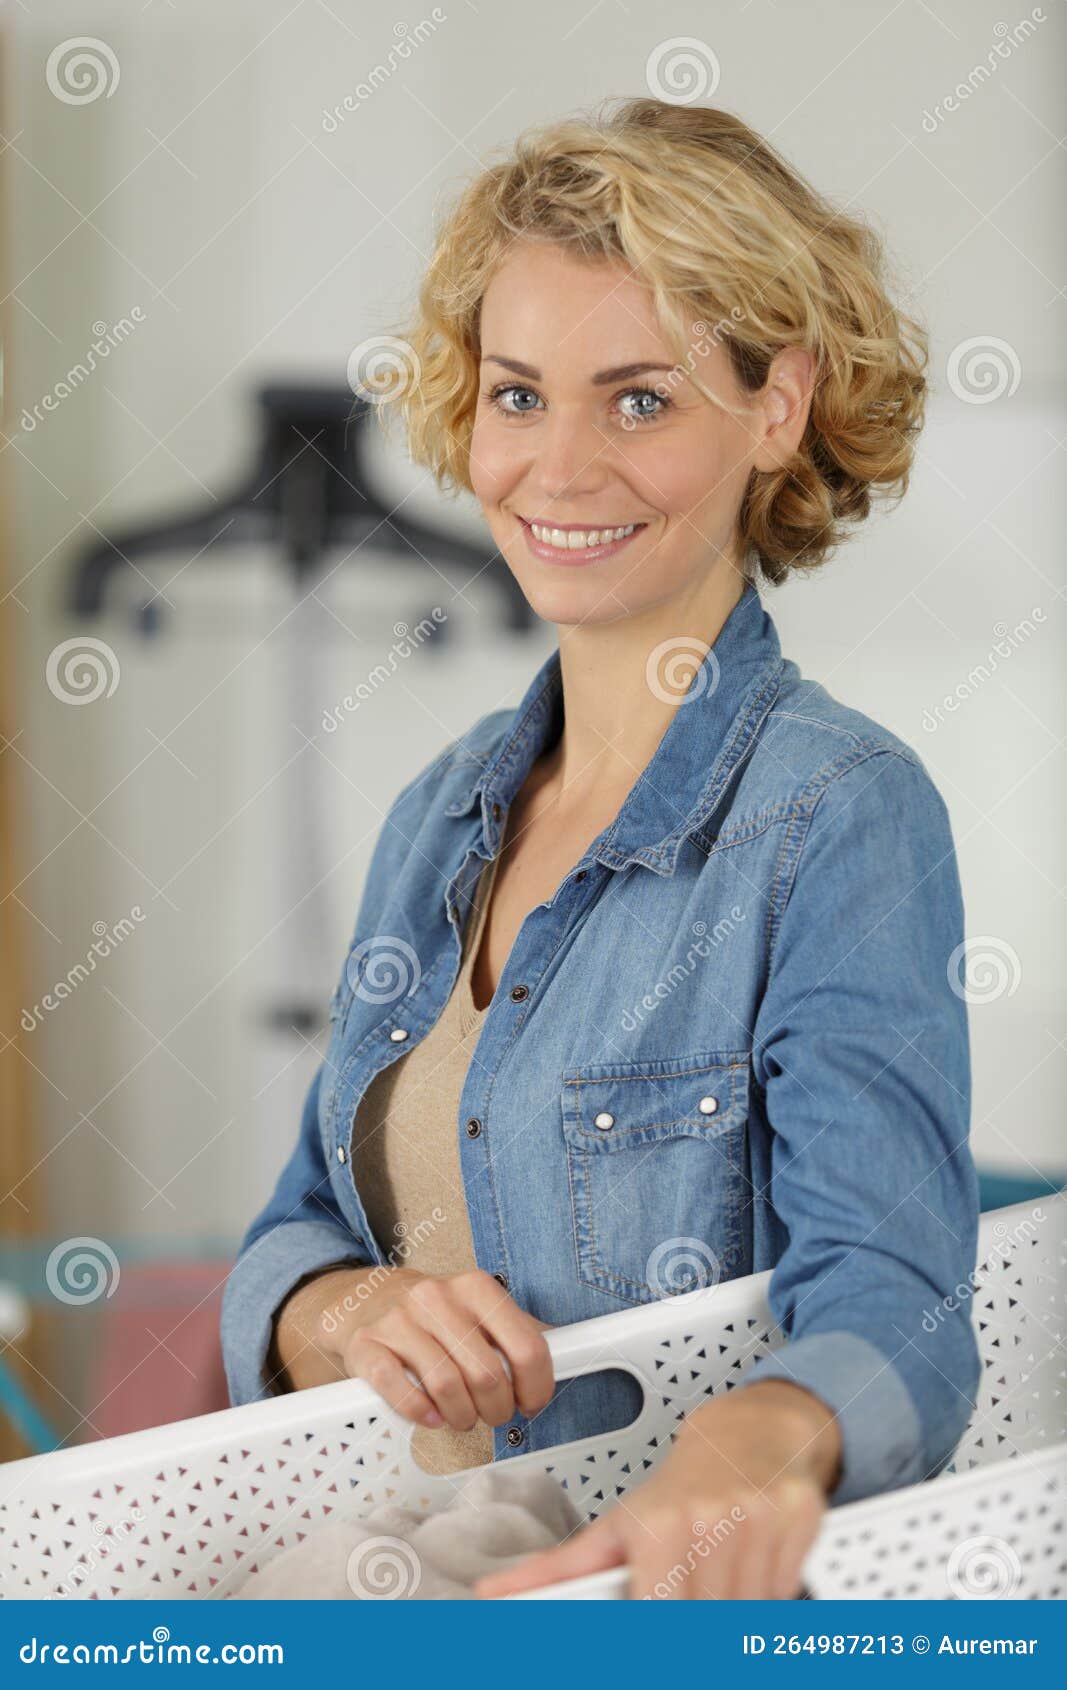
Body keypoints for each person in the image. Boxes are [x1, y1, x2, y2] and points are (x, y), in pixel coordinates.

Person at [220, 97, 980, 1600]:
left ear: (777, 408)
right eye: (518, 394)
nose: (556, 467)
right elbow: (298, 1226)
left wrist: (759, 1436)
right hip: (396, 1568)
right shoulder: (443, 809)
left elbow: (899, 1294)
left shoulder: (838, 814)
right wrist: (346, 1310)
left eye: (638, 400)